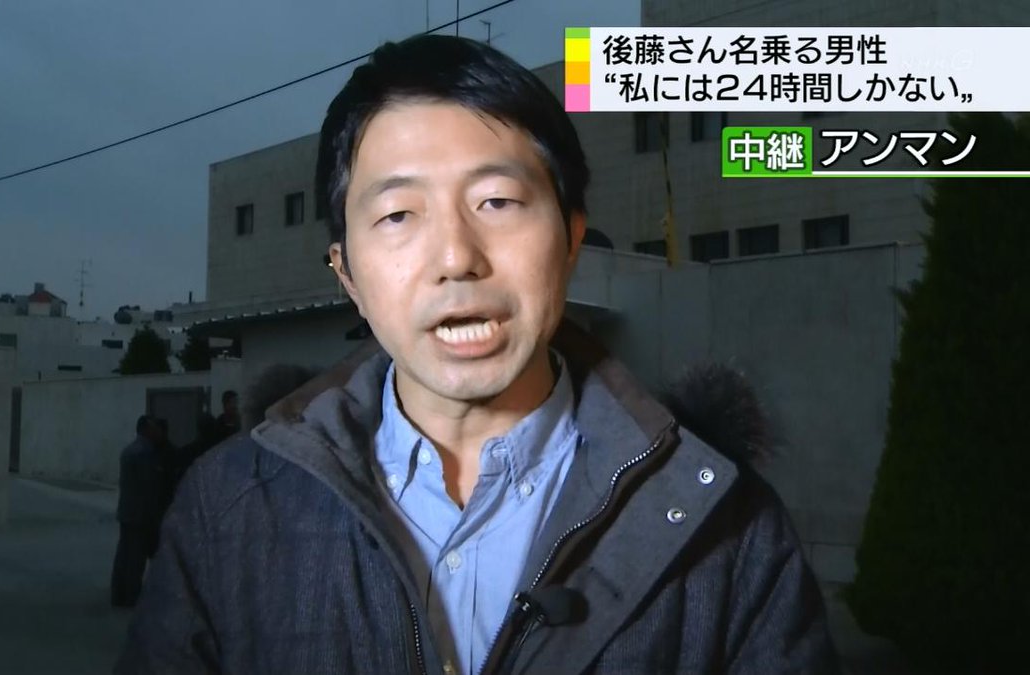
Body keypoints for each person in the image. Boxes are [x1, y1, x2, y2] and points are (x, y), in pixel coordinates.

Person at [118, 35, 838, 673]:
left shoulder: (725, 524)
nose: (456, 257)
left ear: (572, 239)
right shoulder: (228, 508)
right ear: (348, 275)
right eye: (398, 214)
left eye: (497, 201)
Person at [110, 415, 167, 608]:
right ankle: (131, 597)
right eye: (154, 428)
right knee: (135, 559)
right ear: (146, 429)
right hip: (140, 514)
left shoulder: (129, 450)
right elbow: (149, 487)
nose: (158, 432)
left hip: (127, 511)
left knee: (124, 555)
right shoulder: (145, 453)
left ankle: (118, 594)